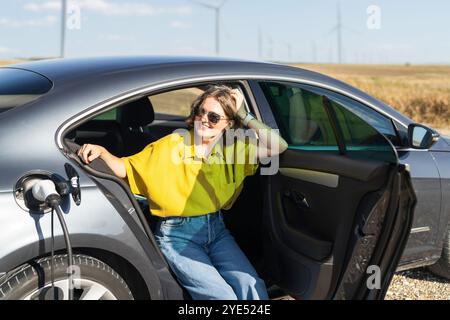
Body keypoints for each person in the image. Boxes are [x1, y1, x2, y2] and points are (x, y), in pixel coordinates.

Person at [78, 85, 288, 300]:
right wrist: (103, 152)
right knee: (222, 297)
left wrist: (244, 114)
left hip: (216, 230)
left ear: (229, 124)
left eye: (214, 117)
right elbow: (126, 168)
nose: (204, 119)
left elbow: (278, 146)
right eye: (201, 112)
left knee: (252, 287)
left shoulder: (233, 148)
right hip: (177, 235)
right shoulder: (172, 144)